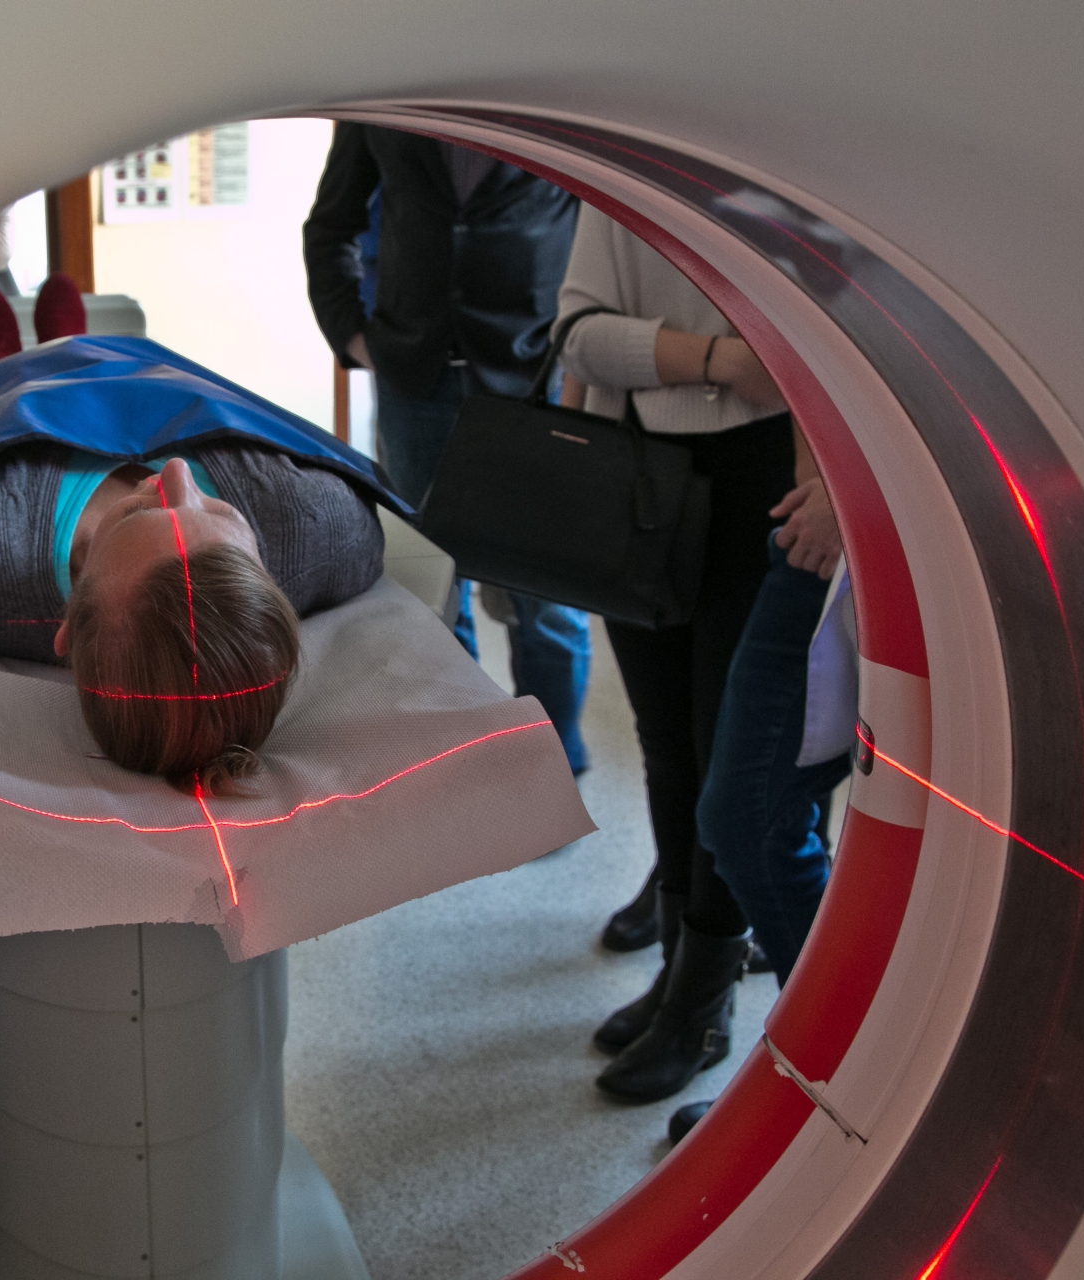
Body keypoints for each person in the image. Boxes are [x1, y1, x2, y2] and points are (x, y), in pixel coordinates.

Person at [0, 276, 405, 792]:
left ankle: (0, 361)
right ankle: (68, 342)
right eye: (222, 513)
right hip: (142, 377)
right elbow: (359, 520)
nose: (174, 475)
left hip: (15, 409)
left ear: (67, 626)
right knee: (103, 359)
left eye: (134, 514)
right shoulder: (319, 529)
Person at [555, 205, 797, 1105]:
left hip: (768, 476)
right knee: (666, 745)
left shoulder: (787, 181)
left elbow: (806, 362)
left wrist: (655, 350)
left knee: (723, 755)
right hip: (638, 475)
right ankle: (678, 974)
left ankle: (703, 1003)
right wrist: (719, 361)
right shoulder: (630, 177)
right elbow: (579, 335)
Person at [302, 123, 593, 773]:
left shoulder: (555, 95)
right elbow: (330, 224)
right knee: (430, 584)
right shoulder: (387, 95)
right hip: (414, 379)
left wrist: (584, 364)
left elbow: (602, 230)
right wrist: (351, 334)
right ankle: (465, 761)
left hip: (535, 378)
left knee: (548, 597)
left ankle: (553, 767)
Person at [668, 454, 854, 1143]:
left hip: (849, 530)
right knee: (751, 815)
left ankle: (834, 1068)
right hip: (818, 521)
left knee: (752, 820)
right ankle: (821, 1059)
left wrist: (851, 493)